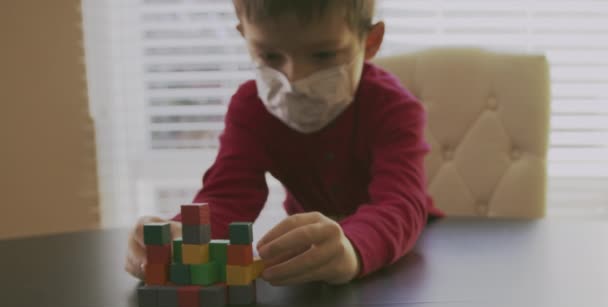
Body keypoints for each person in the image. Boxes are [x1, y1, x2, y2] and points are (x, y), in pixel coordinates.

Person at [125, 0, 443, 286]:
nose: (295, 79)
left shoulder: (394, 109)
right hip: (312, 256)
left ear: (370, 42)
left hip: (400, 257)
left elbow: (401, 203)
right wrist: (182, 235)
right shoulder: (250, 108)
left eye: (323, 55)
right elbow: (228, 196)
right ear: (245, 39)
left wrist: (353, 246)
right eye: (270, 55)